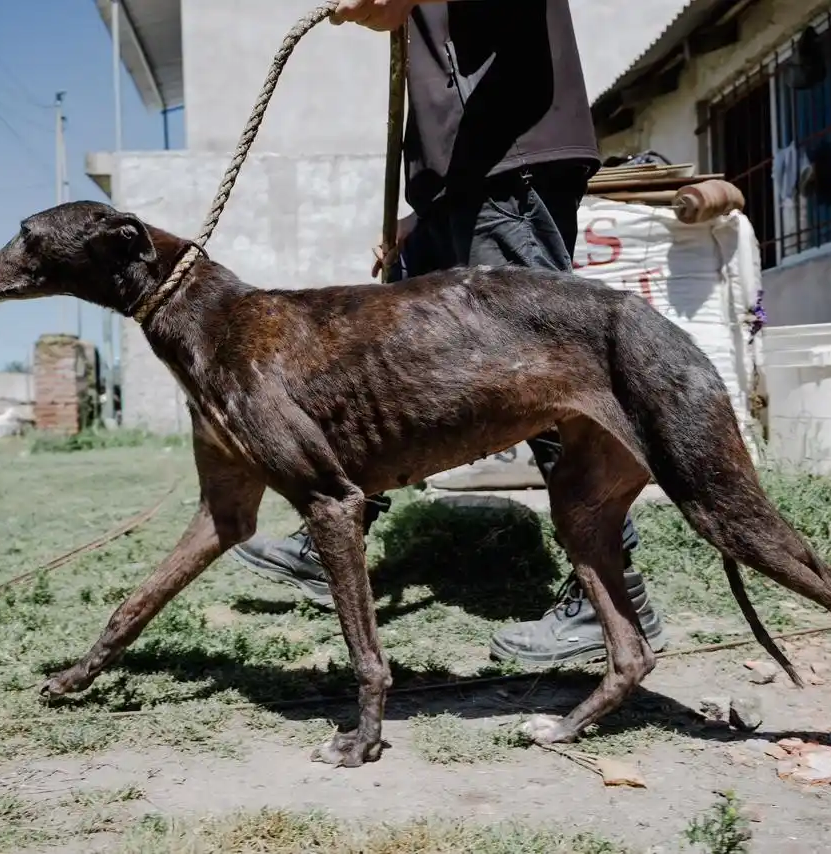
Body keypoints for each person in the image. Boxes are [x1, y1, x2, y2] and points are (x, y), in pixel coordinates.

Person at [230, 0, 667, 664]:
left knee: (547, 381)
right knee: (390, 369)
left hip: (511, 166)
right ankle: (334, 537)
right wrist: (430, 210)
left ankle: (615, 595)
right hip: (459, 186)